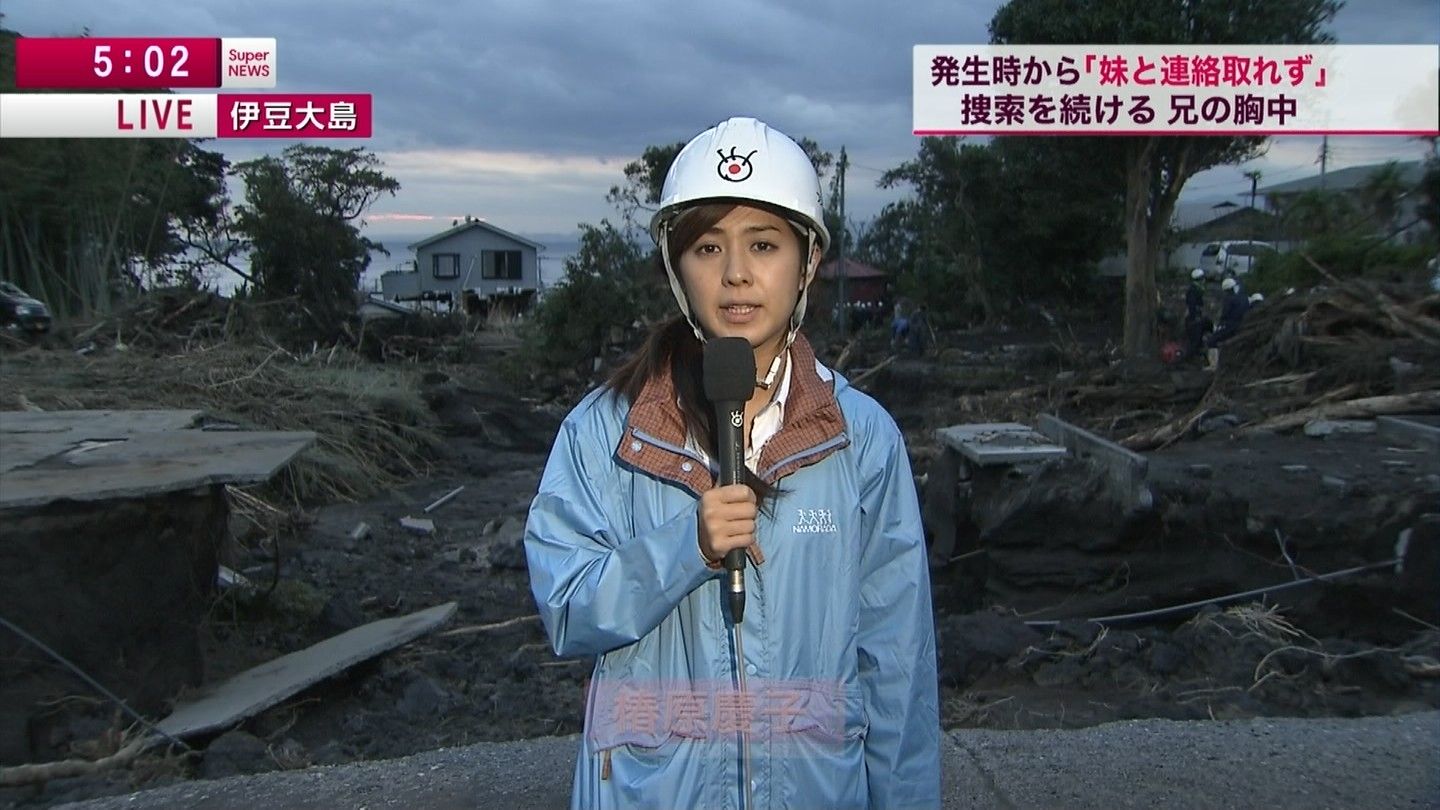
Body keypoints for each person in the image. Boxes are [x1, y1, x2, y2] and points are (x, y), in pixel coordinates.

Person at [524, 117, 941, 810]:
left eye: (764, 245)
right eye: (708, 247)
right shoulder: (604, 431)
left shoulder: (862, 438)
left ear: (808, 261)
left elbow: (897, 662)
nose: (737, 273)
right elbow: (567, 608)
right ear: (676, 267)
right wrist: (684, 548)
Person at [1203, 276, 1250, 367]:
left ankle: (1213, 365)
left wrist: (1220, 324)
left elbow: (1225, 314)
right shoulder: (1244, 298)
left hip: (1231, 326)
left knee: (1211, 341)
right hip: (1242, 324)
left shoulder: (1229, 299)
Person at [1184, 268, 1208, 360]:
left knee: (1198, 337)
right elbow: (1192, 305)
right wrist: (1195, 316)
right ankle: (1188, 358)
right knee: (1194, 338)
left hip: (1197, 315)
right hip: (1193, 317)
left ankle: (1196, 355)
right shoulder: (1193, 290)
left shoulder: (1198, 288)